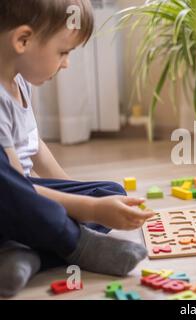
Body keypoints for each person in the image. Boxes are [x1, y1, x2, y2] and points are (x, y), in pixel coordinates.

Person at [0, 0, 154, 297]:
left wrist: (77, 193)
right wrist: (90, 209)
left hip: (26, 199)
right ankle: (74, 244)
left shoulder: (20, 82)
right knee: (88, 207)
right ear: (22, 40)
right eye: (63, 52)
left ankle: (25, 253)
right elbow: (19, 190)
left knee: (110, 193)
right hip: (12, 199)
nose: (66, 63)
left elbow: (36, 147)